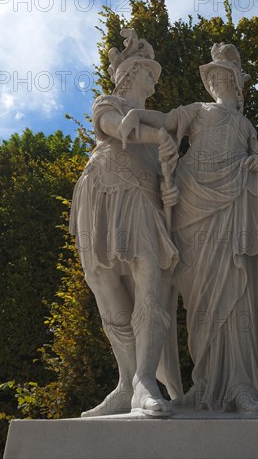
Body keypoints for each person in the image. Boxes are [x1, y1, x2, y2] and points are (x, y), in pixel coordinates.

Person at [119, 42, 258, 415]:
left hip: (232, 211)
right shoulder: (197, 111)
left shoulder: (244, 125)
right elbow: (162, 121)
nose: (214, 82)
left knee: (234, 296)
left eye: (220, 76)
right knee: (199, 301)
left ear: (234, 83)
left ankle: (240, 386)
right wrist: (133, 117)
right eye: (211, 77)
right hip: (192, 209)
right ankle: (205, 382)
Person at [69, 29, 182, 418]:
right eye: (150, 72)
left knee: (149, 280)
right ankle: (126, 380)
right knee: (104, 285)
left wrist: (171, 187)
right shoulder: (108, 103)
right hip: (99, 194)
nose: (155, 78)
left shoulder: (161, 132)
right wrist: (158, 137)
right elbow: (118, 128)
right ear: (131, 74)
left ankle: (146, 382)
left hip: (140, 202)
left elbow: (169, 183)